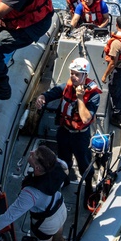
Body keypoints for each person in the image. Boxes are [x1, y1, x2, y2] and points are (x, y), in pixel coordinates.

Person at [35, 58, 100, 201]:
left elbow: (85, 119)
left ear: (85, 75)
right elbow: (55, 91)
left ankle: (88, 184)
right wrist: (42, 97)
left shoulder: (94, 95)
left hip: (80, 135)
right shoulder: (68, 86)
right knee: (63, 158)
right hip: (64, 131)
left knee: (83, 161)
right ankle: (64, 179)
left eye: (77, 74)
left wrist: (80, 98)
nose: (73, 77)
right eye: (72, 73)